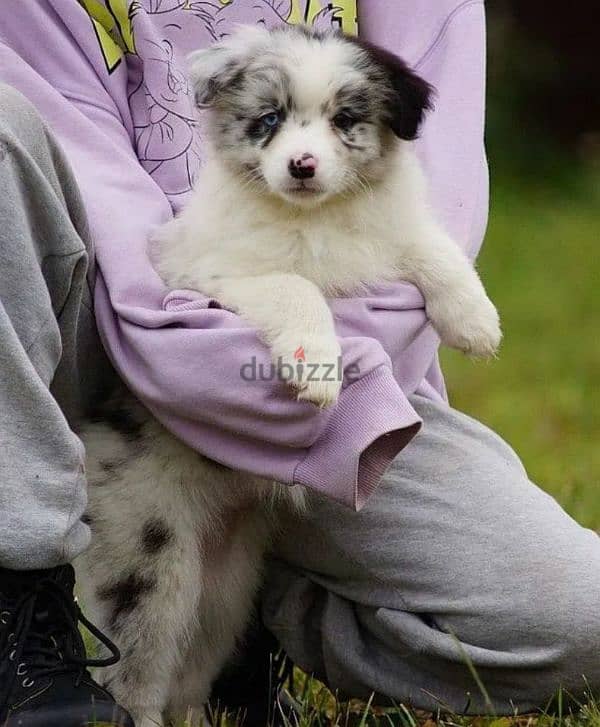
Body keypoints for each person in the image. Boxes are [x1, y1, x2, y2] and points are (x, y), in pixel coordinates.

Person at [0, 2, 599, 725]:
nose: (305, 151)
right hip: (125, 377)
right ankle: (33, 604)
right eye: (279, 122)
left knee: (580, 622)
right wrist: (277, 348)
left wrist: (337, 377)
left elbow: (428, 224)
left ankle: (267, 620)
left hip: (358, 395)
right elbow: (151, 266)